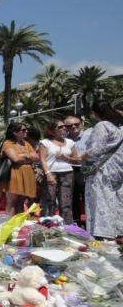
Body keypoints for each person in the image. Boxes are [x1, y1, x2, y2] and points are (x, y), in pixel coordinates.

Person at [78, 101, 123, 240]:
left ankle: (102, 232)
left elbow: (96, 149)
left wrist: (82, 157)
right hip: (116, 167)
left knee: (100, 199)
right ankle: (117, 229)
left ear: (95, 113)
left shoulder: (102, 125)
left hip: (102, 169)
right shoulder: (117, 127)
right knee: (114, 199)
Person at [38, 120, 79, 223]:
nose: (64, 128)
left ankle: (67, 225)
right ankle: (47, 225)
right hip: (51, 173)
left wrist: (66, 158)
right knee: (49, 201)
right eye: (60, 127)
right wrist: (48, 174)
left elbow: (77, 159)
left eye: (64, 126)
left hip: (67, 173)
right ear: (52, 131)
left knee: (66, 202)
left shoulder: (70, 142)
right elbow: (42, 159)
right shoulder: (45, 142)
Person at [1, 121, 38, 215]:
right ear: (14, 132)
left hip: (27, 174)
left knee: (21, 202)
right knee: (12, 202)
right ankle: (9, 224)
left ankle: (19, 224)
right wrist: (28, 157)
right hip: (15, 174)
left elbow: (36, 157)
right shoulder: (8, 143)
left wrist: (24, 155)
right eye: (23, 130)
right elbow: (15, 159)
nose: (26, 132)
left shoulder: (26, 143)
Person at [63, 115, 89, 225]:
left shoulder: (90, 135)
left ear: (81, 123)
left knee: (86, 196)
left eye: (76, 124)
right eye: (69, 125)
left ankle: (90, 222)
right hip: (69, 170)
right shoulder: (64, 139)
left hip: (85, 170)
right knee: (72, 196)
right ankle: (76, 221)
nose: (73, 127)